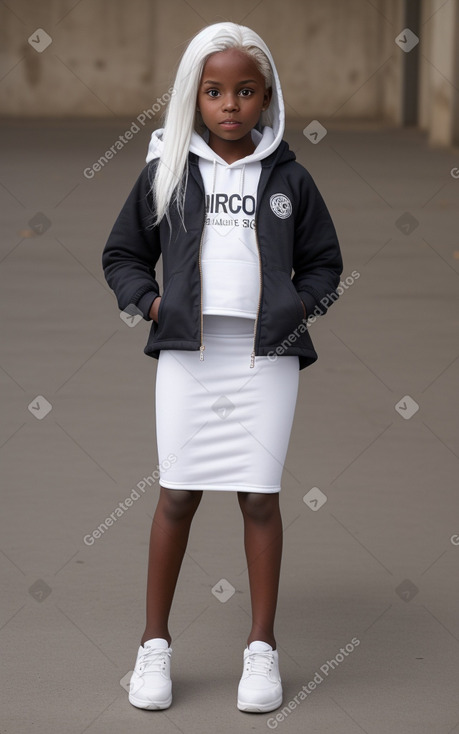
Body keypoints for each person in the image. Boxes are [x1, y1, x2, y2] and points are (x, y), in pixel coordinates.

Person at [102, 21, 343, 714]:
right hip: (189, 356)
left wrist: (299, 304)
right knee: (176, 493)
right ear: (194, 97)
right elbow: (122, 254)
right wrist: (149, 304)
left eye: (245, 91)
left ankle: (260, 649)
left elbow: (325, 263)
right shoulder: (167, 171)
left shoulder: (290, 179)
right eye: (214, 91)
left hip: (266, 359)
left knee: (258, 497)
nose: (230, 104)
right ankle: (154, 644)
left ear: (267, 99)